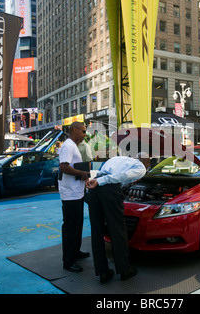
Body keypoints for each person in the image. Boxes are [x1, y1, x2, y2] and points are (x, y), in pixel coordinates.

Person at [86, 153, 150, 283]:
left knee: (97, 230)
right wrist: (101, 181)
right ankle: (124, 269)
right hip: (107, 188)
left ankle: (102, 272)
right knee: (117, 229)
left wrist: (98, 181)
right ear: (146, 162)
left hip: (94, 189)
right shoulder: (141, 167)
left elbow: (103, 172)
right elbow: (122, 176)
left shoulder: (117, 158)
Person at [58, 121, 91, 272]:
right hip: (70, 194)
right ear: (74, 130)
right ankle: (68, 261)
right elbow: (64, 167)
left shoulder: (73, 146)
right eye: (83, 131)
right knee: (71, 227)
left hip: (76, 192)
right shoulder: (68, 145)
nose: (85, 134)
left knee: (77, 226)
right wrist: (82, 173)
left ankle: (75, 252)